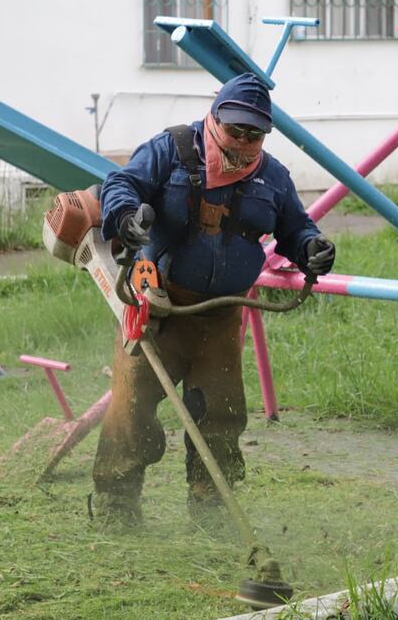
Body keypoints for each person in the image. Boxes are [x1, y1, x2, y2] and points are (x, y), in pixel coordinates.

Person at [93, 73, 335, 525]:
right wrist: (126, 217)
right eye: (234, 129)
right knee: (132, 409)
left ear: (265, 134)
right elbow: (121, 183)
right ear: (215, 117)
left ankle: (211, 507)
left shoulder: (274, 176)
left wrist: (310, 249)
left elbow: (296, 228)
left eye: (254, 134)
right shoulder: (171, 149)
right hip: (158, 307)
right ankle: (115, 506)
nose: (242, 142)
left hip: (221, 317)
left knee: (221, 415)